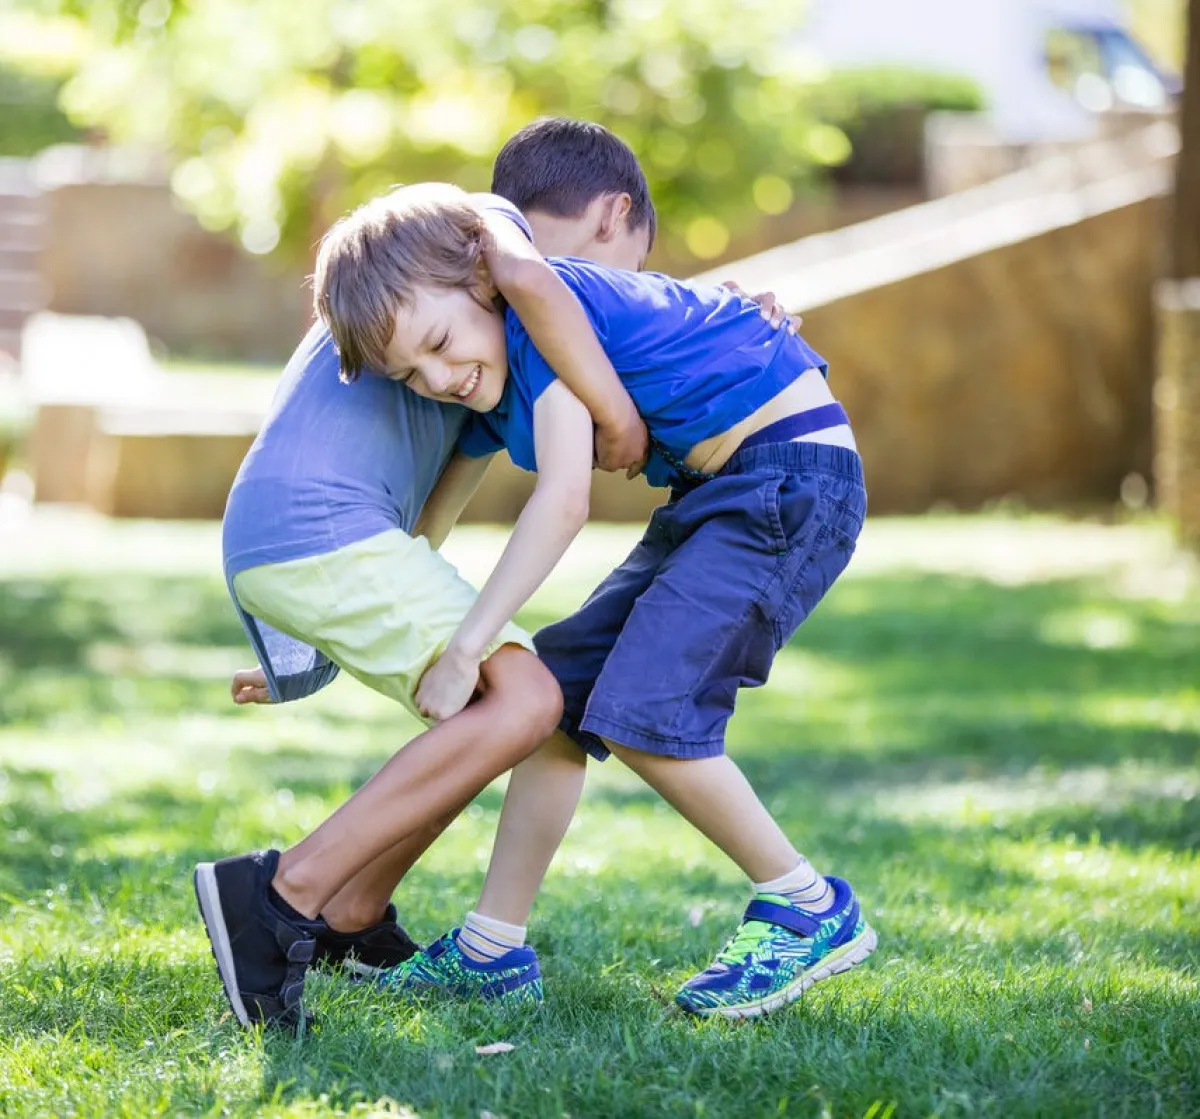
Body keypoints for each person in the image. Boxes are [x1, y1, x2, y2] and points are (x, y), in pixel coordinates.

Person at [199, 118, 792, 1029]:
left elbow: (421, 528)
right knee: (525, 701)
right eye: (604, 274)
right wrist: (616, 416)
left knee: (498, 706)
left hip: (298, 532)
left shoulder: (453, 311)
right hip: (315, 526)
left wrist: (721, 308)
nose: (586, 299)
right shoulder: (471, 239)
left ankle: (353, 913)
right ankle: (284, 895)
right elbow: (544, 310)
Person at [314, 141, 875, 1021]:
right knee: (555, 701)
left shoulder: (544, 313)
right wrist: (319, 643)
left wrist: (468, 647)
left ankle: (807, 906)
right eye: (409, 375)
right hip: (716, 495)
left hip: (785, 481)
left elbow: (564, 502)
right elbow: (421, 534)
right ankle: (492, 946)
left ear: (485, 285)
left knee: (648, 708)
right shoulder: (492, 378)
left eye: (438, 342)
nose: (438, 378)